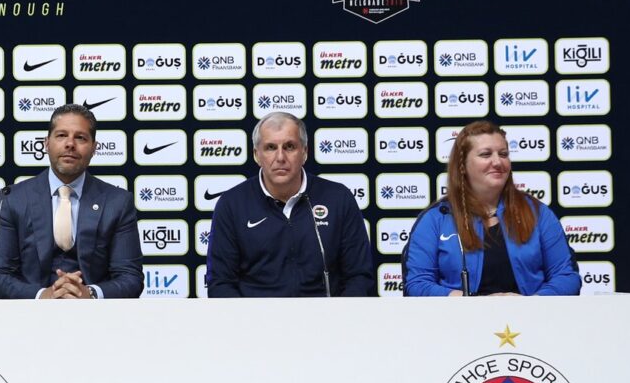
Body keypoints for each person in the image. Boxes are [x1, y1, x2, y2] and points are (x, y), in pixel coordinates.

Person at [403, 120, 580, 297]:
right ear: (462, 165)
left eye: (503, 154)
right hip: (461, 314)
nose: (497, 162)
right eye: (486, 154)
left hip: (527, 313)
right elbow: (417, 284)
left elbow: (567, 277)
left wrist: (530, 303)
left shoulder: (537, 213)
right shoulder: (436, 218)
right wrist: (470, 301)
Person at [205, 112, 373, 297]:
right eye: (270, 147)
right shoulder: (232, 204)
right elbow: (220, 283)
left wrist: (337, 314)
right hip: (256, 315)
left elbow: (359, 276)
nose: (280, 157)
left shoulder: (338, 198)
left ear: (304, 152)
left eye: (289, 146)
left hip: (326, 314)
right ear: (256, 155)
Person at [0, 103, 142, 299]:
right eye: (61, 135)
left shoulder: (118, 202)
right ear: (46, 143)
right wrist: (43, 295)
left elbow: (130, 278)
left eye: (80, 137)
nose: (70, 144)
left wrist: (90, 294)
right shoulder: (13, 199)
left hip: (96, 314)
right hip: (29, 313)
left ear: (94, 148)